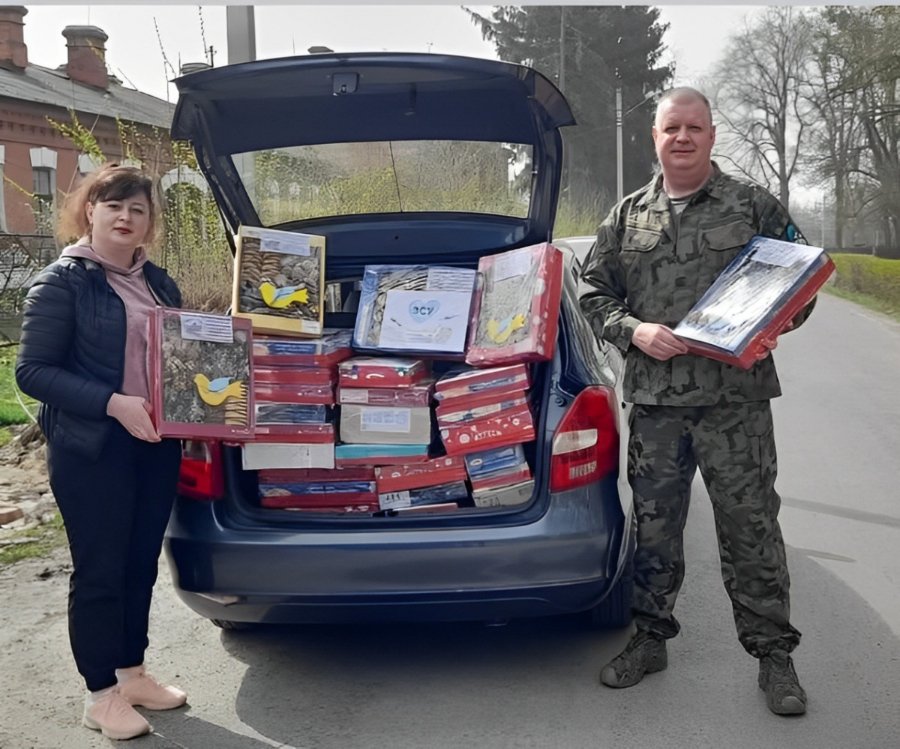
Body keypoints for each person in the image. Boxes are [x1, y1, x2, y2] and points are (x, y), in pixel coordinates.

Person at [579, 87, 812, 716]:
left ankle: (774, 657)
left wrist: (773, 326)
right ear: (654, 137)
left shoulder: (752, 204)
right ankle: (650, 639)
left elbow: (802, 282)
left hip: (735, 404)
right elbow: (593, 293)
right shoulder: (626, 217)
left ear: (711, 135)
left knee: (750, 527)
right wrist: (634, 331)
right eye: (671, 128)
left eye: (694, 128)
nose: (682, 137)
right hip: (657, 404)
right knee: (655, 528)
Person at [16, 164, 187, 740]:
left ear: (149, 221)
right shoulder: (62, 282)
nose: (125, 217)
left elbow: (179, 358)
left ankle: (132, 674)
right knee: (101, 570)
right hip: (93, 448)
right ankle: (100, 695)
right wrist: (113, 404)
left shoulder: (159, 282)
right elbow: (33, 372)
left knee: (140, 563)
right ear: (89, 210)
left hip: (155, 444)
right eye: (113, 205)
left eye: (138, 209)